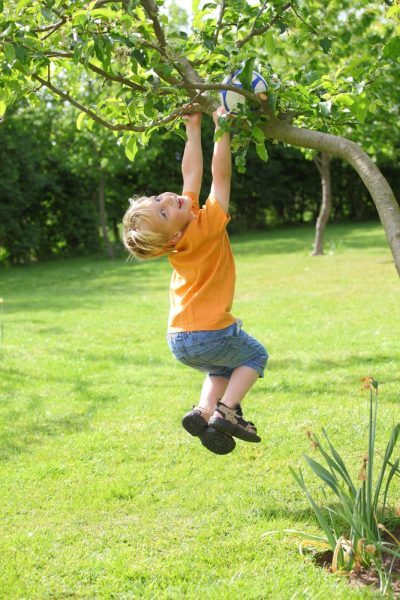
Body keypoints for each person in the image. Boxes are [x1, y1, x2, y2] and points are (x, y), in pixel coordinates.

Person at [122, 106, 268, 455]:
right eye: (163, 211)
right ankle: (227, 412)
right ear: (170, 236)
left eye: (159, 199)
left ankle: (203, 411)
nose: (169, 199)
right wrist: (222, 131)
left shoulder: (181, 237)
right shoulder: (207, 225)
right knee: (254, 357)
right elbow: (220, 178)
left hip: (179, 339)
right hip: (208, 332)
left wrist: (193, 128)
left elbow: (191, 172)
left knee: (222, 368)